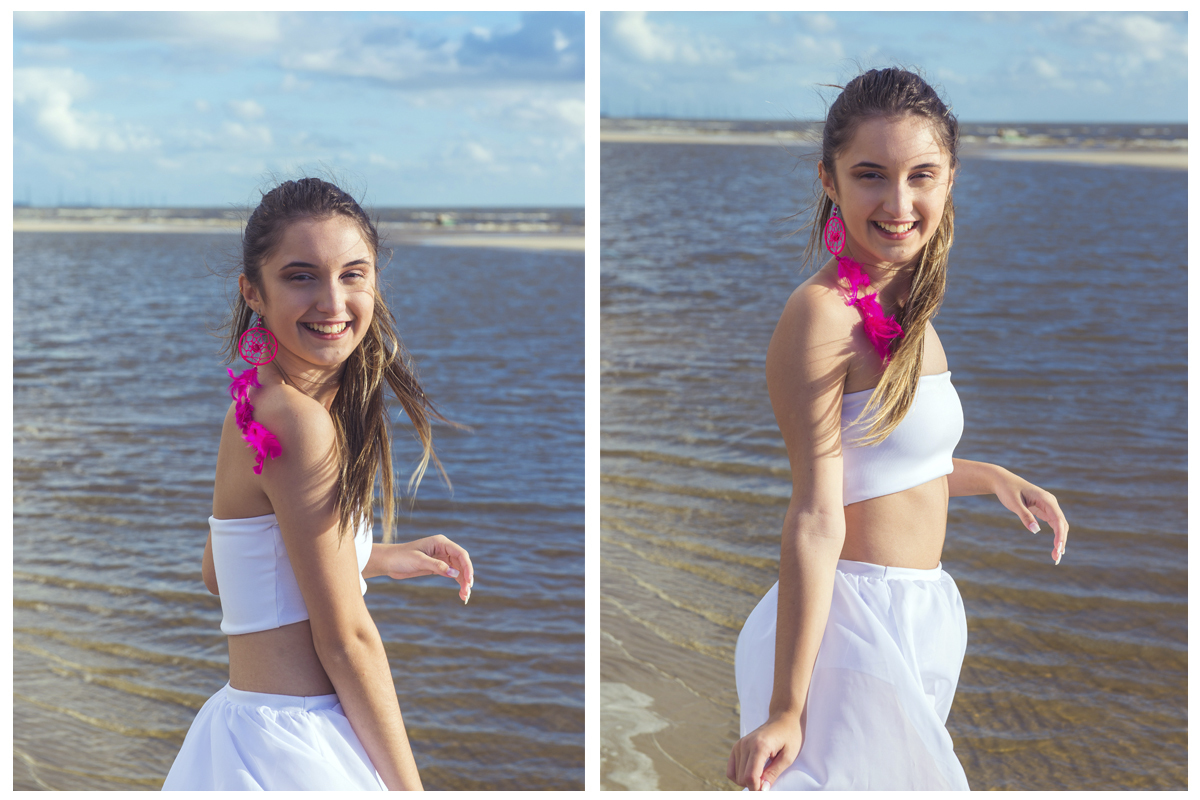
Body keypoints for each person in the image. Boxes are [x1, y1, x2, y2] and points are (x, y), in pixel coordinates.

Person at [726, 69, 1069, 791]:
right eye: (871, 175)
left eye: (922, 175)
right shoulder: (822, 316)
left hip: (923, 615)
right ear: (830, 179)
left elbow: (886, 466)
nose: (899, 202)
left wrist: (993, 479)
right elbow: (817, 515)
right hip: (850, 620)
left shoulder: (907, 306)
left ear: (950, 179)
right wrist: (788, 708)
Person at [163, 178, 474, 791]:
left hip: (242, 732)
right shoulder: (300, 423)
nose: (332, 301)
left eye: (352, 274)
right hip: (295, 744)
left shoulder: (255, 399)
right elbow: (348, 640)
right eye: (301, 276)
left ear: (375, 280)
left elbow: (223, 571)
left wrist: (372, 557)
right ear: (254, 290)